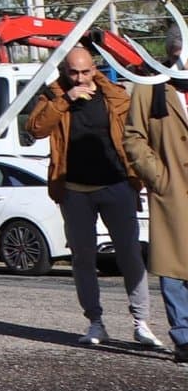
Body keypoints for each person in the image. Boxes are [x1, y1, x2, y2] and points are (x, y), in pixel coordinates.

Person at [27, 46, 163, 347]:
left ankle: (142, 323)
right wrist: (65, 100)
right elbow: (35, 128)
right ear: (64, 70)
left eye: (85, 71)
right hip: (73, 189)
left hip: (117, 184)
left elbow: (136, 124)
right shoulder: (54, 95)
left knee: (130, 255)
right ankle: (95, 322)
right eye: (73, 72)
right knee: (83, 258)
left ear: (94, 68)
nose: (79, 78)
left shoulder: (112, 93)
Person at [126, 38, 188, 364]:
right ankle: (184, 337)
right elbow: (134, 137)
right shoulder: (150, 87)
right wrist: (157, 176)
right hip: (173, 191)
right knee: (174, 271)